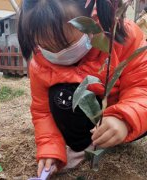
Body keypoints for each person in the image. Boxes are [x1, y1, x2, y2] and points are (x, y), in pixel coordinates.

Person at [17, 0, 147, 177]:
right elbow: (42, 111)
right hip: (85, 124)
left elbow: (142, 87)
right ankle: (82, 145)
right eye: (47, 47)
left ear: (90, 20)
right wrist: (50, 149)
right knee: (60, 96)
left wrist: (123, 119)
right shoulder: (39, 63)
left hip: (128, 118)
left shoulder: (123, 36)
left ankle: (112, 134)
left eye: (66, 44)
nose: (57, 54)